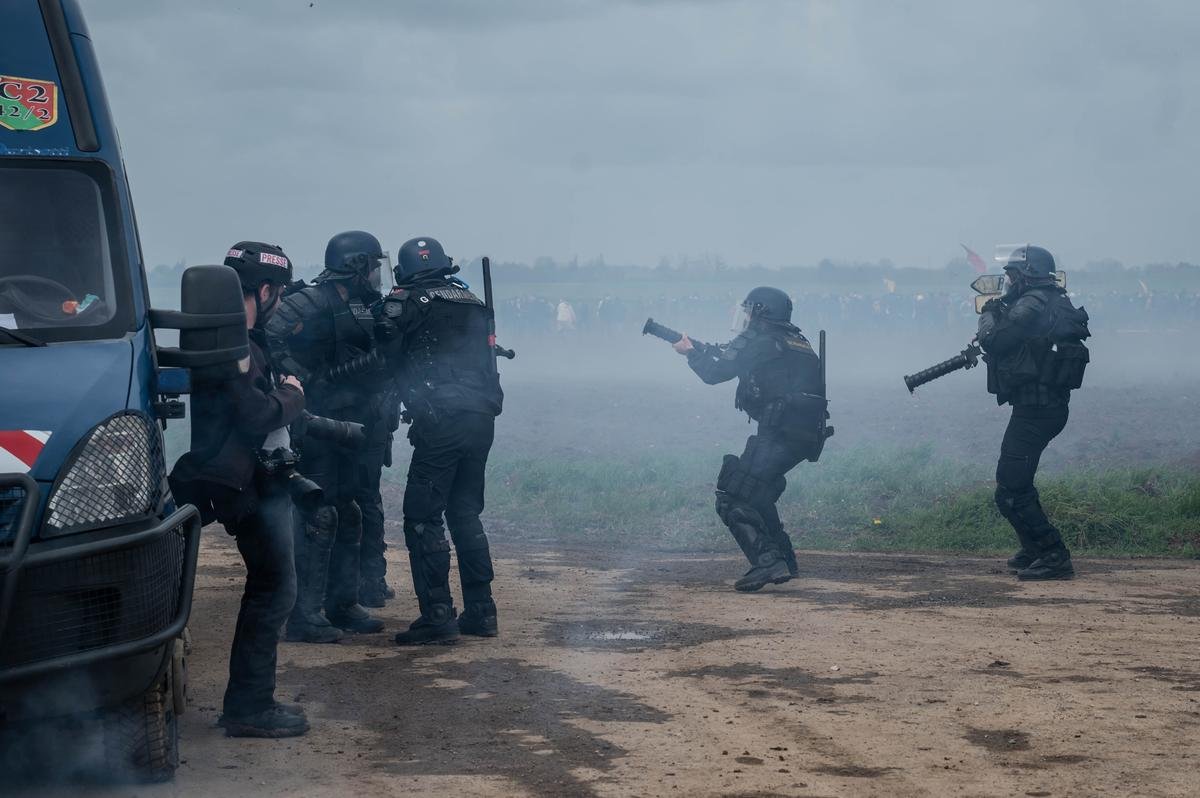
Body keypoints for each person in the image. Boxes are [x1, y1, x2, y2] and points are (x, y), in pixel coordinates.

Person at [168, 241, 309, 737]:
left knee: (271, 585)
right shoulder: (234, 346)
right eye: (279, 293)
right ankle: (249, 706)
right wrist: (291, 394)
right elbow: (254, 414)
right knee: (274, 587)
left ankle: (249, 701)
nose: (279, 301)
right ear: (265, 291)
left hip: (241, 477)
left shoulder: (235, 340)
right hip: (244, 482)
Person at [374, 237, 504, 645]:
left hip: (441, 420)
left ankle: (437, 614)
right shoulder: (472, 300)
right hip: (481, 418)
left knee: (422, 515)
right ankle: (482, 611)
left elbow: (384, 353)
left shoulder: (404, 301)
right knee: (465, 513)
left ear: (404, 269)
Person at [265, 230, 390, 640]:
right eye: (372, 266)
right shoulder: (310, 300)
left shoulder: (362, 305)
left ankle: (342, 604)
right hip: (318, 425)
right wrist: (300, 378)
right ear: (356, 266)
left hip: (352, 426)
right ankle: (305, 614)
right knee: (318, 514)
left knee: (349, 511)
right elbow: (267, 335)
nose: (375, 275)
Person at [672, 287, 828, 592]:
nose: (745, 316)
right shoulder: (796, 340)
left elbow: (715, 373)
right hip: (804, 435)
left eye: (748, 310)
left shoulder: (758, 338)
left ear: (761, 311)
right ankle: (785, 559)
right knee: (758, 492)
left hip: (781, 432)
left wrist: (689, 352)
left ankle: (768, 562)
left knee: (732, 495)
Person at [978, 245, 1090, 581]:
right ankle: (1033, 548)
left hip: (1037, 410)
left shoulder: (1033, 302)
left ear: (1028, 275)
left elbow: (994, 340)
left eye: (1013, 275)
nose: (1010, 281)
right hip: (1043, 407)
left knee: (1011, 485)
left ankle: (1053, 555)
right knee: (1013, 484)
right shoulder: (1050, 299)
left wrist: (988, 313)